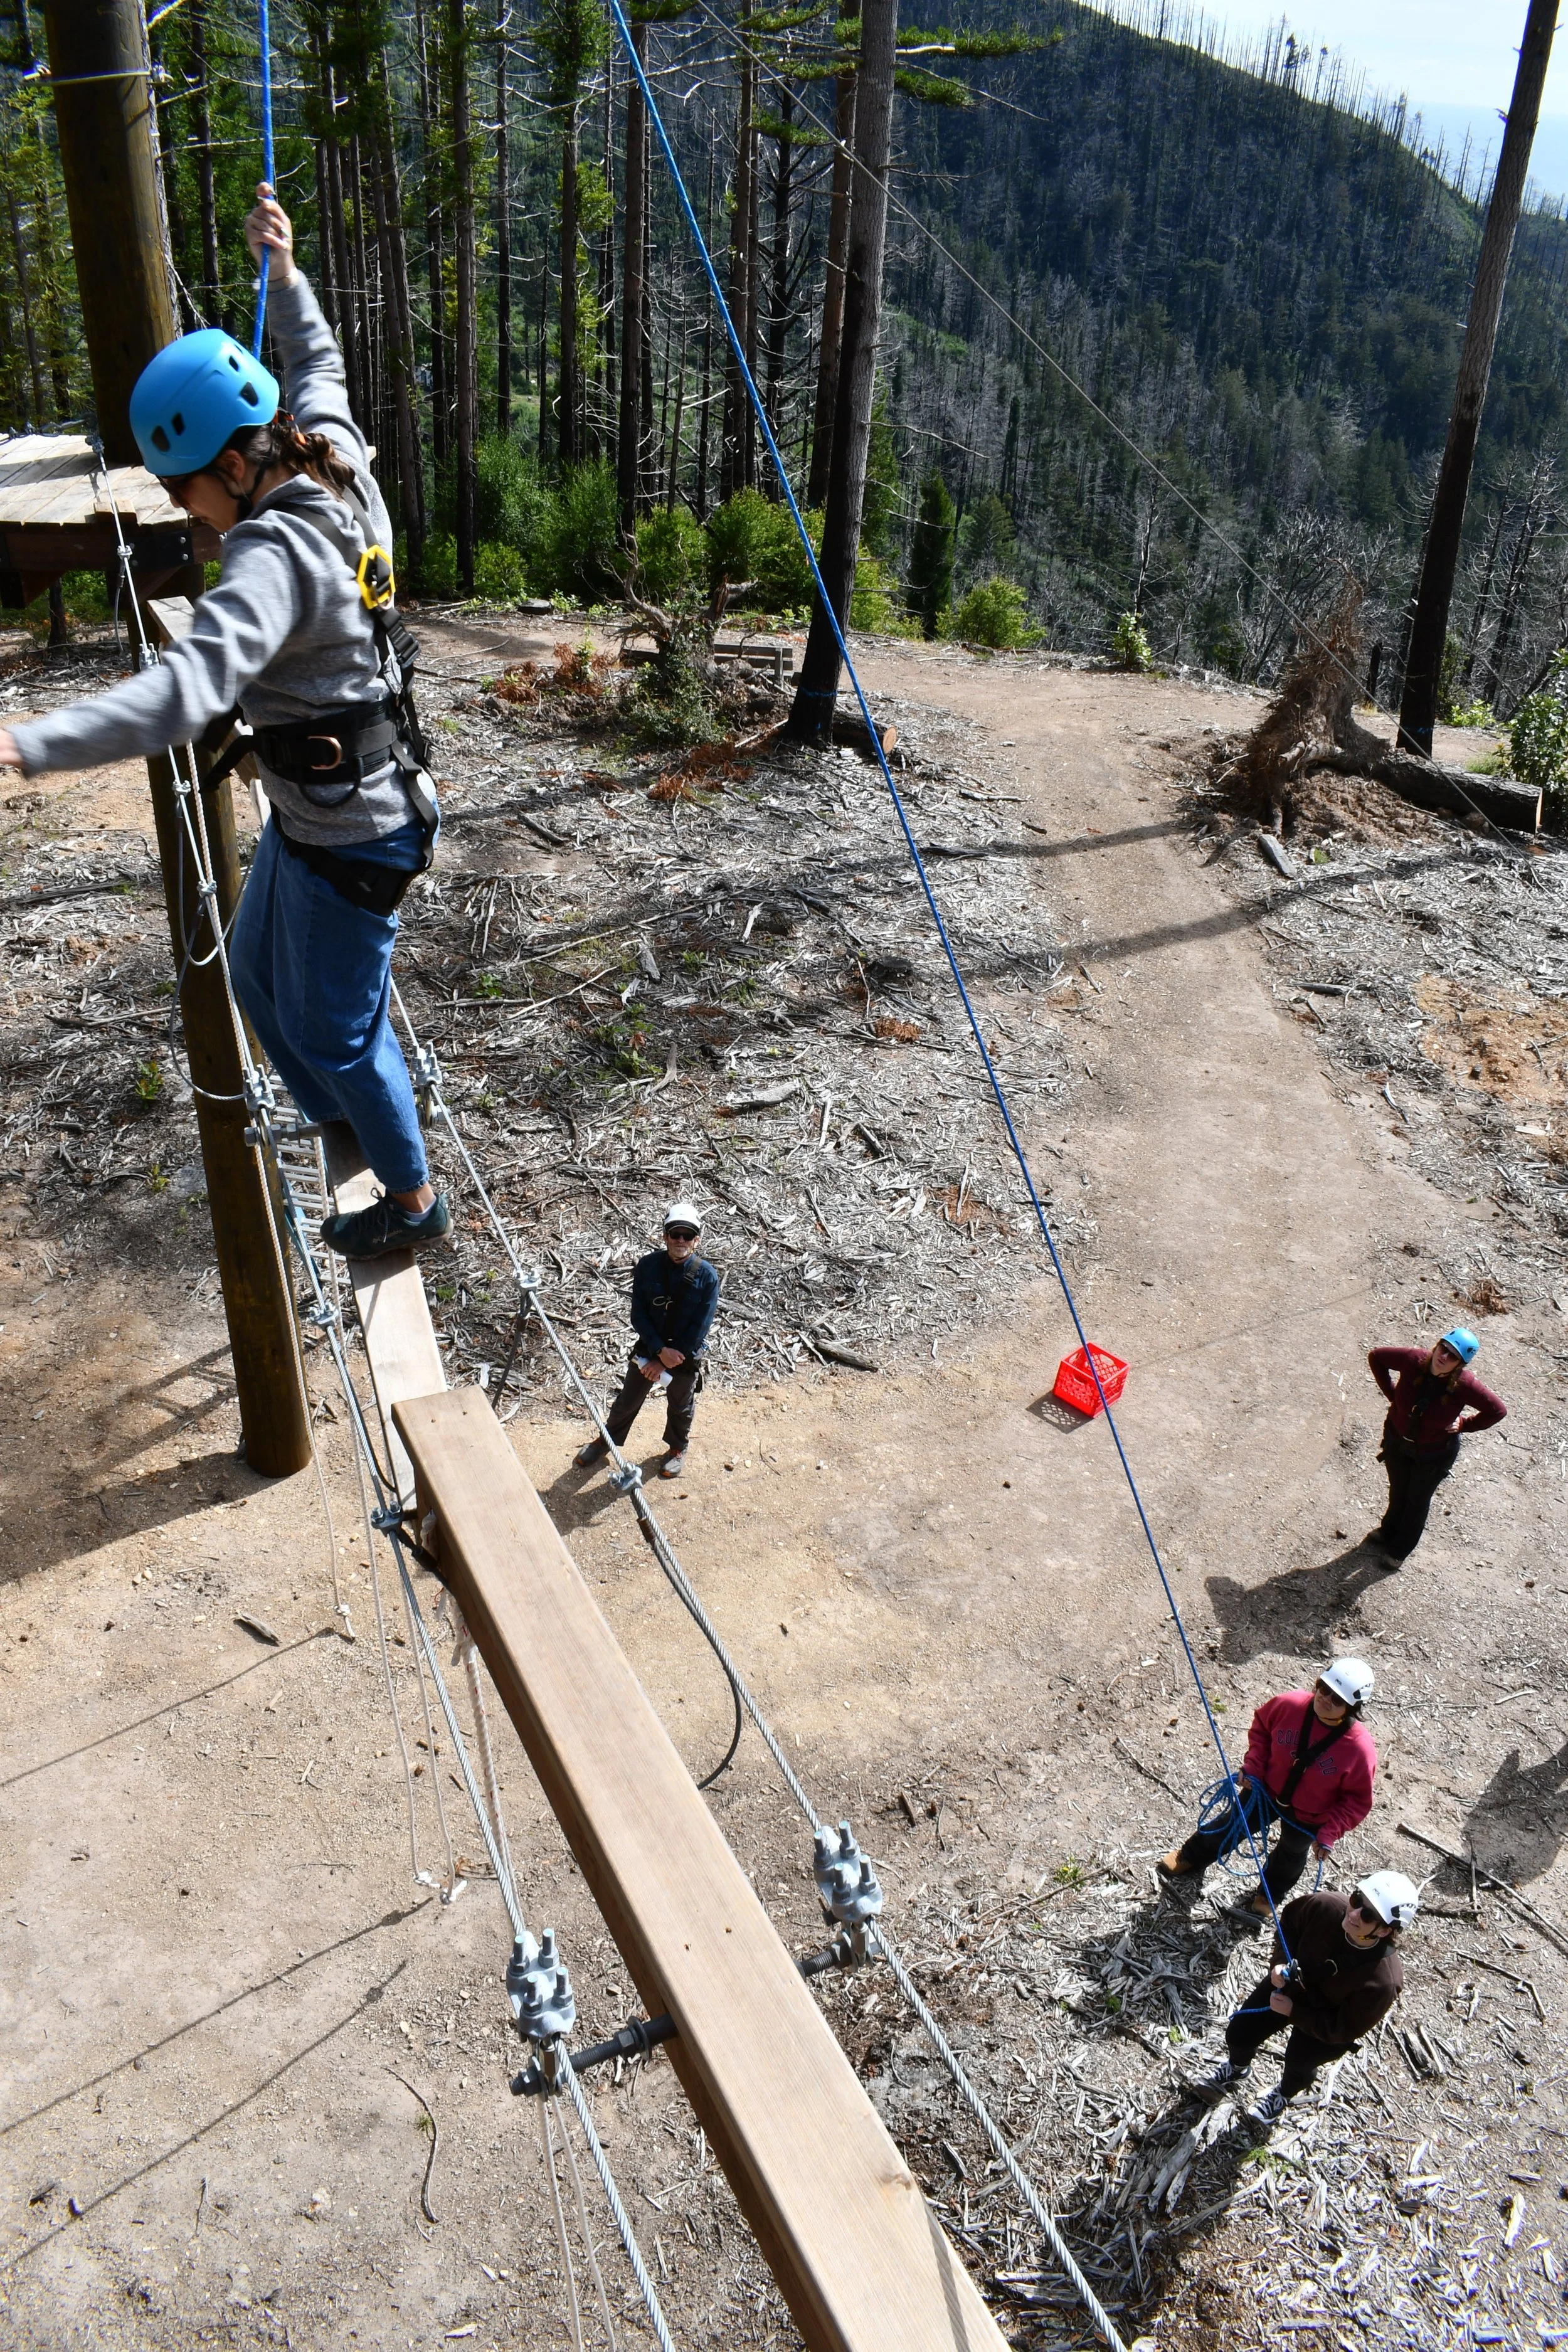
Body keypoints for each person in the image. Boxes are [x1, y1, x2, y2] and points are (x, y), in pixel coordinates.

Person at [0, 186, 448, 1263]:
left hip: (358, 831)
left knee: (337, 1027)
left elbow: (184, 694)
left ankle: (414, 1200)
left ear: (236, 467)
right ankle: (344, 1111)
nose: (185, 512)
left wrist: (27, 744)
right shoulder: (332, 452)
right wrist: (282, 274)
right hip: (324, 808)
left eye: (183, 489)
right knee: (253, 973)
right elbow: (319, 362)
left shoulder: (271, 557)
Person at [1158, 1660, 1376, 1919]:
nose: (1325, 1699)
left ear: (1353, 1708)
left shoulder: (1358, 1750)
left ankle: (1270, 1894)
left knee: (1291, 1854)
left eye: (1337, 1699)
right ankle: (1191, 1855)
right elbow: (1262, 1731)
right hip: (1264, 1792)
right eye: (1324, 1688)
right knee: (1232, 1824)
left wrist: (1329, 1832)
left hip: (1310, 1816)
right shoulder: (1289, 1705)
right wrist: (1254, 1767)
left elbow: (1356, 1801)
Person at [1199, 1870, 1417, 2126]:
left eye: (1368, 1915)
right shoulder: (1325, 1906)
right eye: (1357, 1900)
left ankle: (1284, 2094)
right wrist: (1280, 1963)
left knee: (1300, 2064)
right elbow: (1289, 1927)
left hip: (1326, 2019)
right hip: (1290, 1984)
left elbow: (1343, 2029)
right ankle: (1237, 2067)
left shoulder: (1383, 1982)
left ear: (1384, 1931)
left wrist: (1294, 2012)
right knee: (1240, 2032)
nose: (1354, 1913)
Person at [576, 1203, 719, 1480]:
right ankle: (607, 1440)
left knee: (681, 1405)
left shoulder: (708, 1277)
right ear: (665, 1236)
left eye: (687, 1235)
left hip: (684, 1355)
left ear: (696, 1240)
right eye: (675, 1234)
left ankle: (678, 1448)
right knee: (627, 1400)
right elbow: (639, 1314)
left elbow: (701, 1326)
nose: (680, 1240)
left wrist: (666, 1360)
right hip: (650, 1347)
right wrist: (658, 1351)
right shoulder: (648, 1266)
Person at [1368, 1327, 1505, 1562]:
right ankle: (1388, 1531)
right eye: (1444, 1348)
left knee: (1416, 1500)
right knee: (1398, 1490)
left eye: (1453, 1356)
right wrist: (1393, 1395)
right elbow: (1376, 1357)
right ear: (1437, 1345)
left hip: (1434, 1455)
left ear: (1460, 1364)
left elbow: (1497, 1410)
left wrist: (1465, 1424)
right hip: (1397, 1441)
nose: (1444, 1357)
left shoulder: (1465, 1385)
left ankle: (1399, 1551)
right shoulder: (1413, 1359)